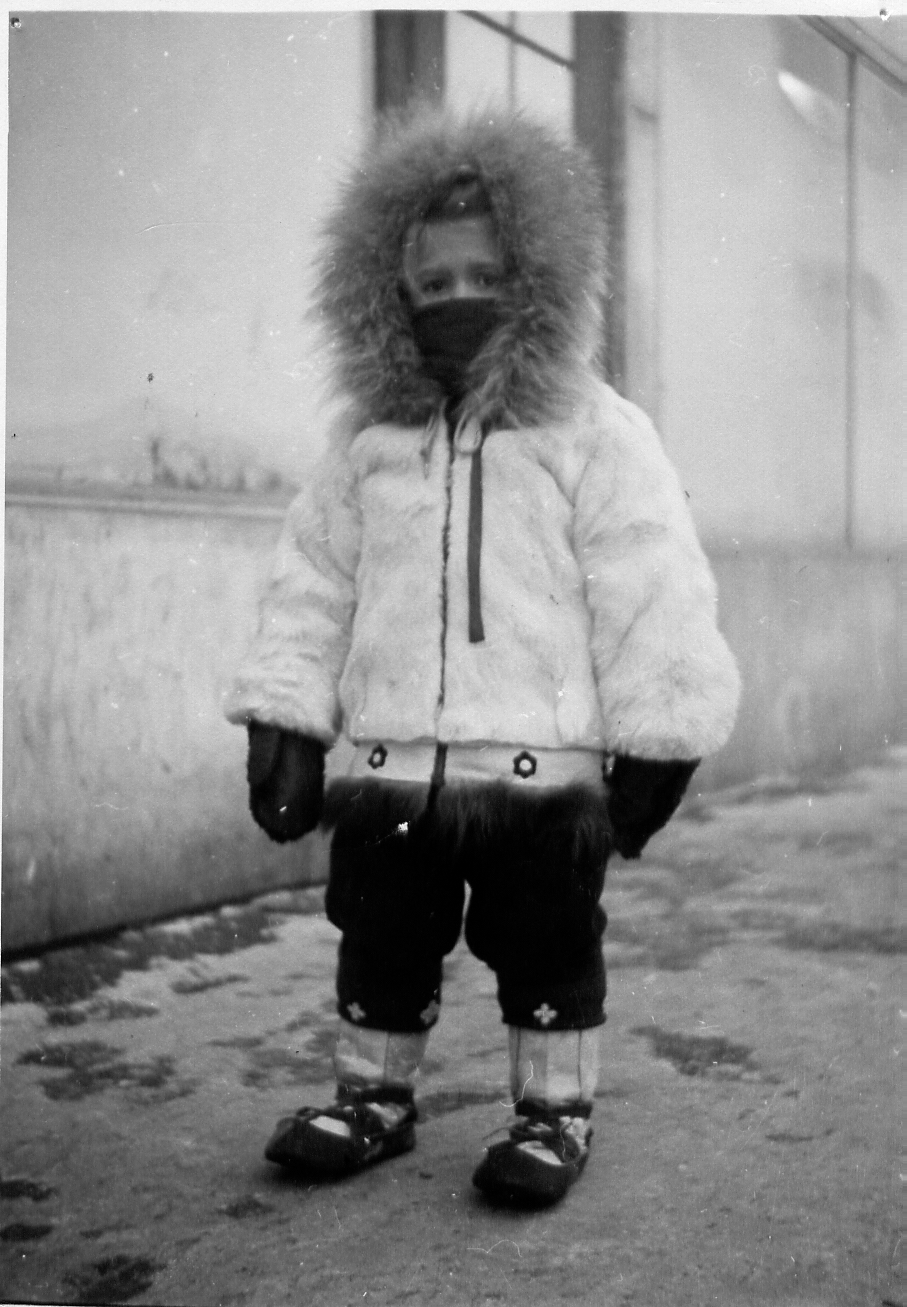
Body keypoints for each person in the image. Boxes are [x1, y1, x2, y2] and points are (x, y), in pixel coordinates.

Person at [225, 105, 740, 1208]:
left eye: (486, 276)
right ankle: (372, 1094)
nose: (458, 299)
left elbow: (649, 580)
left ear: (537, 281)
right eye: (432, 282)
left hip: (539, 776)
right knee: (380, 934)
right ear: (388, 294)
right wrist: (286, 717)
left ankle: (552, 1109)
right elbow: (313, 583)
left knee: (546, 942)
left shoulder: (595, 432)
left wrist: (662, 733)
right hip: (393, 769)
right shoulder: (368, 447)